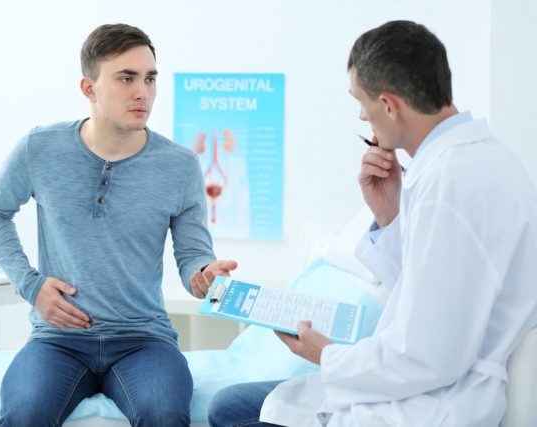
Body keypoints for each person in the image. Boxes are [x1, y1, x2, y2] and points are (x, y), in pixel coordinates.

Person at [208, 20, 537, 427]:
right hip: (421, 379)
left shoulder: (448, 185)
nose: (362, 116)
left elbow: (427, 355)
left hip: (435, 400)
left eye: (361, 101)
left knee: (231, 413)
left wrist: (324, 355)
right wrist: (389, 214)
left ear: (389, 105)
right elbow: (430, 287)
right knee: (228, 406)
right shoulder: (476, 160)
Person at [0, 23, 236, 427]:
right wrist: (31, 285)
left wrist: (206, 275)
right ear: (89, 88)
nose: (143, 92)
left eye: (150, 78)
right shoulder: (40, 148)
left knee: (165, 415)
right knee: (24, 414)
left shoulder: (180, 164)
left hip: (143, 340)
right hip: (57, 340)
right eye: (126, 78)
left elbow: (193, 256)